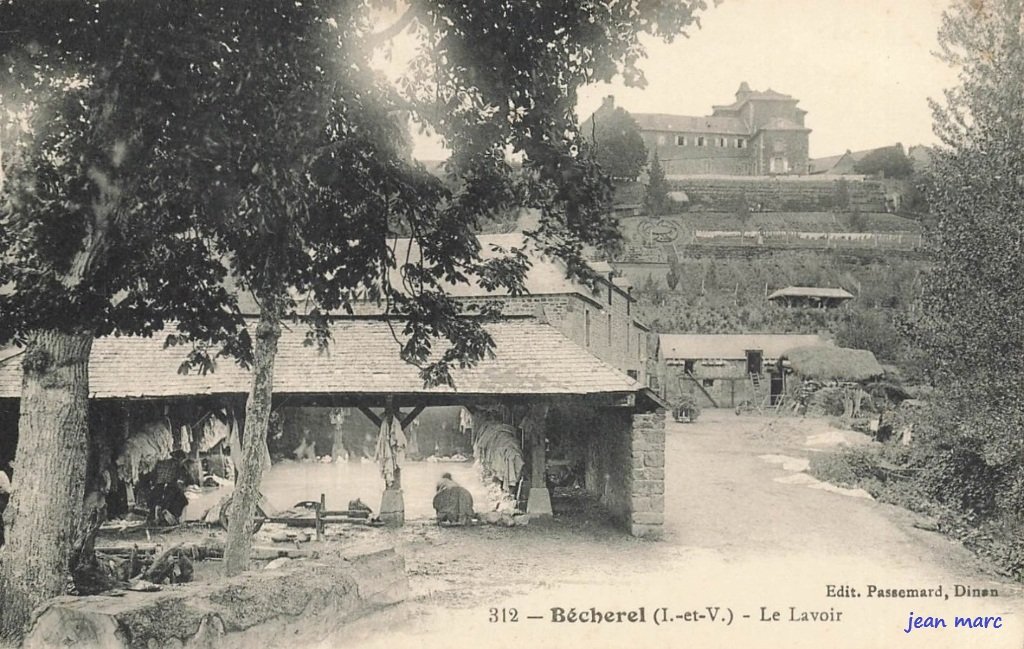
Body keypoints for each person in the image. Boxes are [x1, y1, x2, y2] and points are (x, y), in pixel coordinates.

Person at [0, 459, 12, 546]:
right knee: (7, 524)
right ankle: (7, 544)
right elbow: (8, 490)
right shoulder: (1, 474)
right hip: (3, 504)